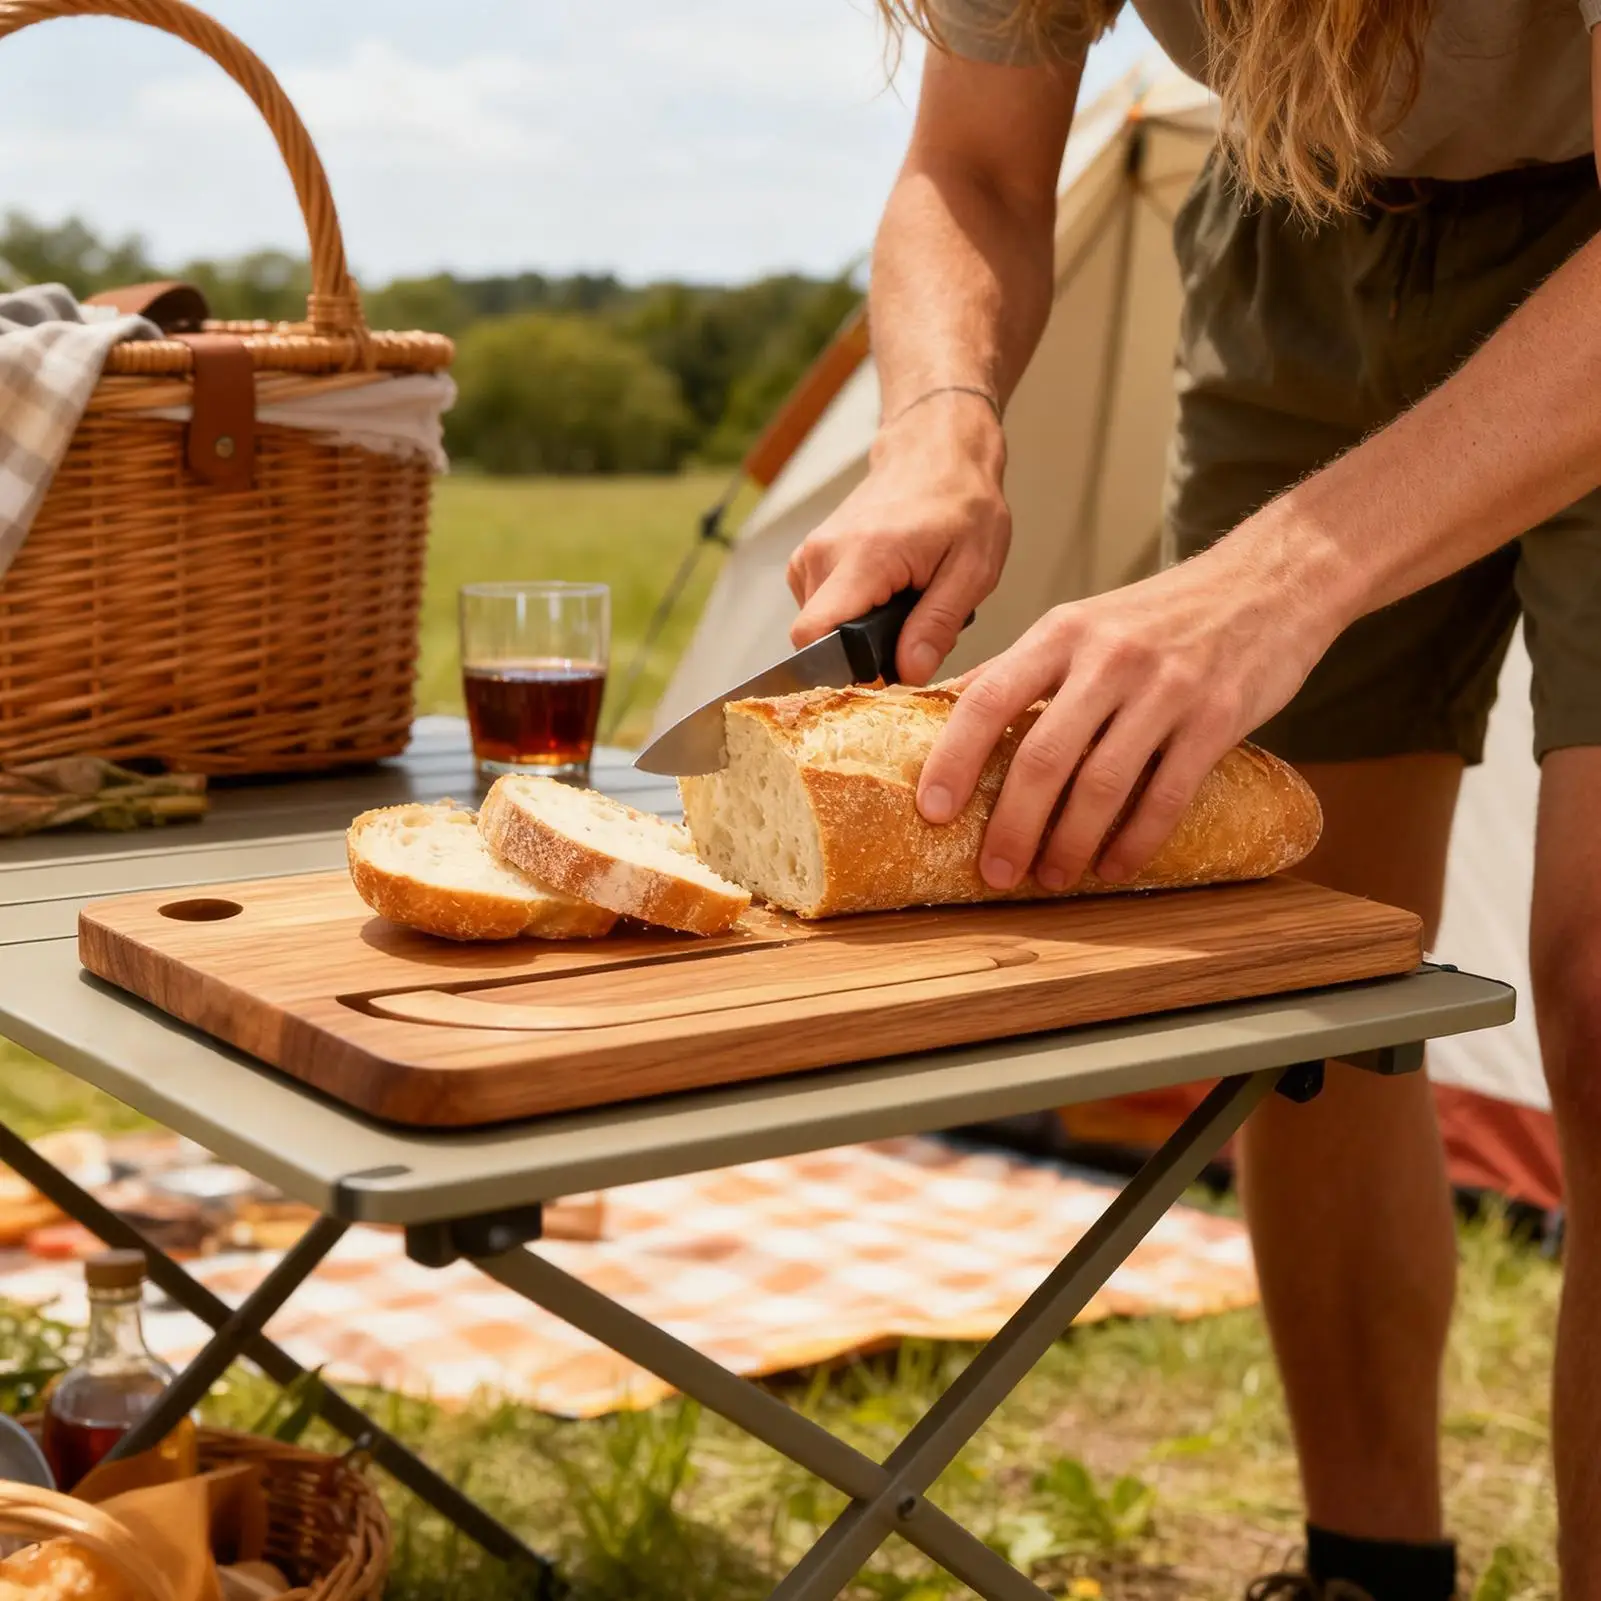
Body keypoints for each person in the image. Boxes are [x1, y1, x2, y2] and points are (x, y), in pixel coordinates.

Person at [784, 2, 1601, 1596]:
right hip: (1304, 231)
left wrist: (1274, 585)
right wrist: (936, 427)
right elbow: (972, 166)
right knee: (1300, 975)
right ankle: (1368, 1569)